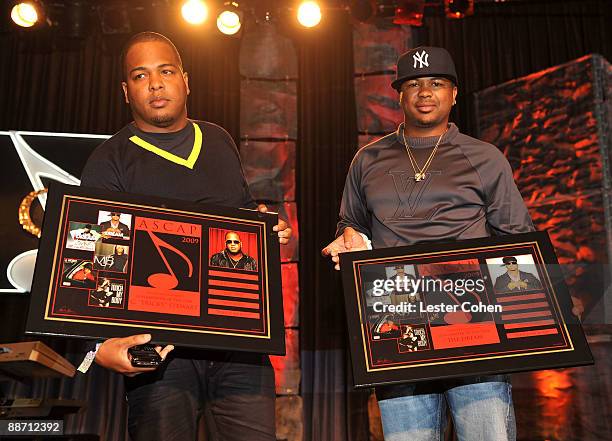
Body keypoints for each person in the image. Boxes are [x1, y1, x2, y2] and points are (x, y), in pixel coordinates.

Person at [79, 31, 291, 441]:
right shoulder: (109, 160)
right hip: (158, 351)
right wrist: (97, 346)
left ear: (186, 80)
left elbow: (240, 213)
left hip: (238, 343)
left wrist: (263, 227)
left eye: (166, 71)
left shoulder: (217, 139)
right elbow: (87, 258)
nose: (156, 84)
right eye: (140, 76)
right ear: (126, 91)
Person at [323, 46, 536, 441]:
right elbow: (351, 223)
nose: (425, 92)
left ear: (454, 94)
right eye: (414, 84)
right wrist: (348, 238)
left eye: (437, 83)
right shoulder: (367, 160)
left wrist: (530, 324)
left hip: (475, 326)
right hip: (401, 327)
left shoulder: (485, 158)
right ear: (399, 96)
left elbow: (516, 241)